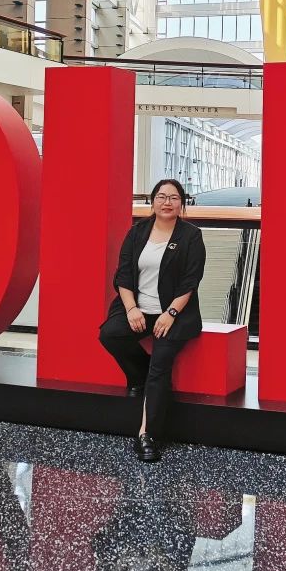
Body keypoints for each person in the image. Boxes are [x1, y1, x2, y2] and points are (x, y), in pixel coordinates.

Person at [98, 179, 206, 462]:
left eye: (173, 197)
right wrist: (131, 309)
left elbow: (191, 281)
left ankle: (147, 435)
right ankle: (138, 376)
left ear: (182, 203)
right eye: (161, 196)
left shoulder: (191, 236)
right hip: (139, 309)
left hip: (174, 313)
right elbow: (123, 275)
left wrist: (170, 314)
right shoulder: (137, 232)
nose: (167, 202)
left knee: (160, 366)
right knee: (110, 334)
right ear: (153, 201)